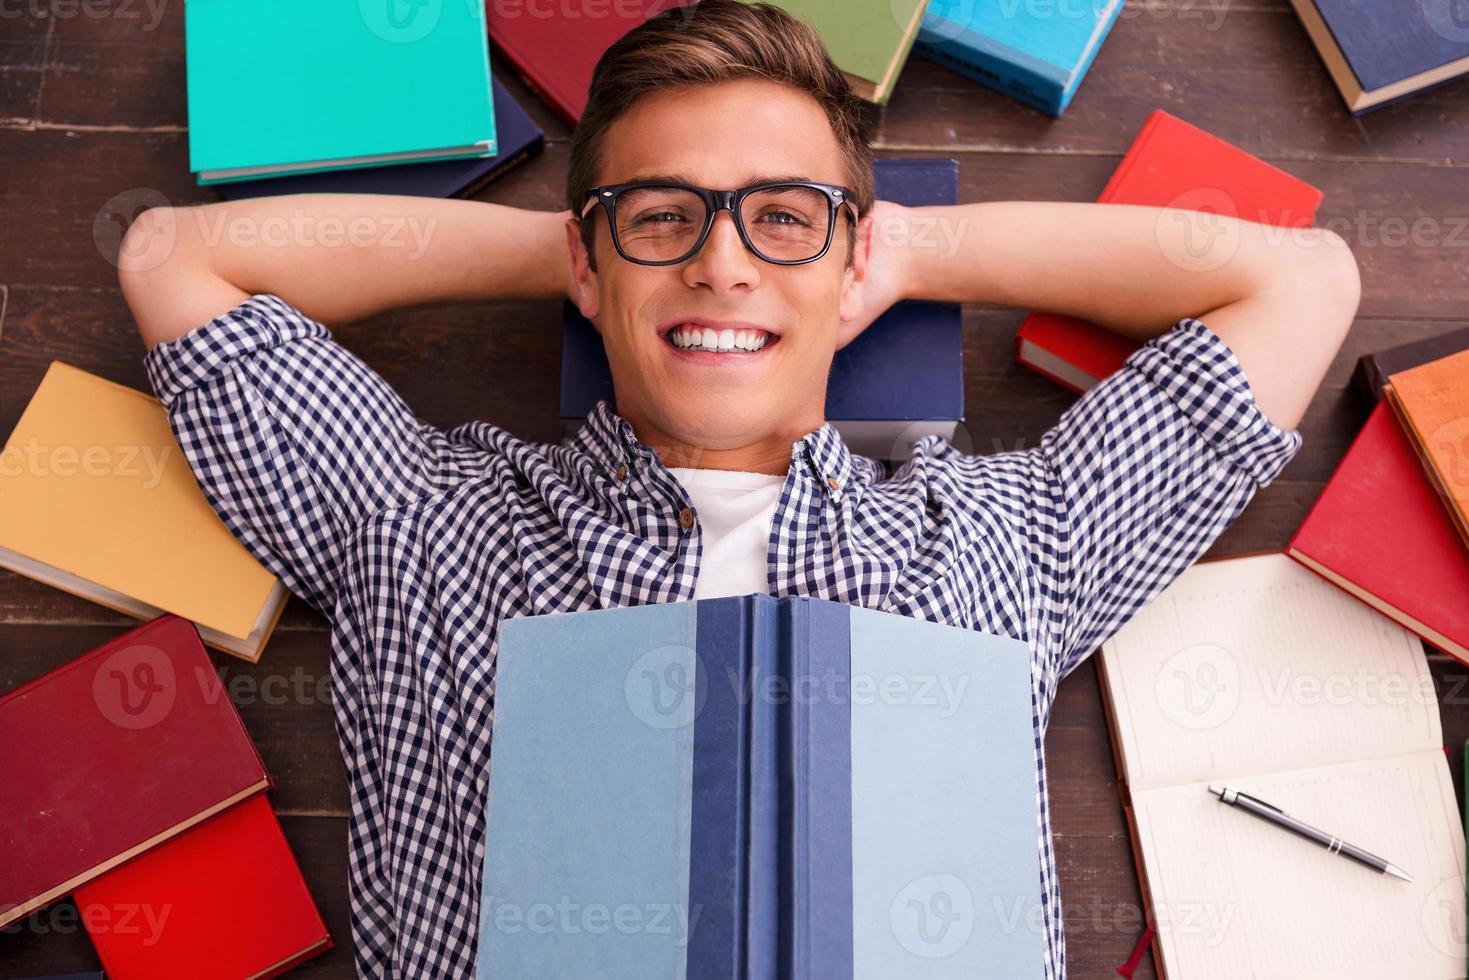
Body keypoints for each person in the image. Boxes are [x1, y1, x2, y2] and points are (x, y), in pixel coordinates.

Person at [118, 2, 1358, 975]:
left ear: (850, 255)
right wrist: (583, 254)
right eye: (666, 215)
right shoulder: (421, 519)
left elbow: (1298, 283)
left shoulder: (1004, 540)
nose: (720, 264)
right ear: (587, 257)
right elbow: (176, 257)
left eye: (780, 217)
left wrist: (906, 246)